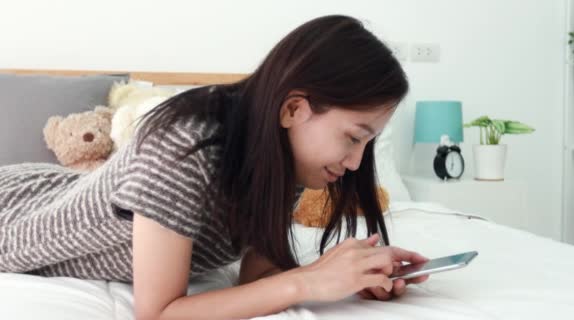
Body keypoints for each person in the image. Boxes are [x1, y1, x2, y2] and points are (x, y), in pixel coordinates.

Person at [0, 14, 429, 319]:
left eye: (366, 144)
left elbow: (259, 274)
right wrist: (309, 283)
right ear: (294, 109)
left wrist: (343, 276)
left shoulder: (279, 155)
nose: (355, 163)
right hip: (13, 210)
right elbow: (160, 313)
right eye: (352, 138)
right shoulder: (186, 144)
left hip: (55, 189)